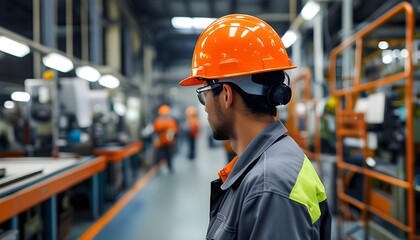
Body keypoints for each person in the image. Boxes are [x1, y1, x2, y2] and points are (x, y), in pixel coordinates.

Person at [179, 14, 331, 239]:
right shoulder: (265, 166)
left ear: (227, 95)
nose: (205, 108)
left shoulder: (269, 188)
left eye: (204, 95)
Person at [153, 104, 179, 173]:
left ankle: (170, 168)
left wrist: (171, 134)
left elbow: (175, 130)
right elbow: (155, 131)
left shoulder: (171, 121)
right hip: (161, 142)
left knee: (169, 156)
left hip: (169, 142)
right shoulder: (158, 121)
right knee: (159, 156)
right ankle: (157, 169)